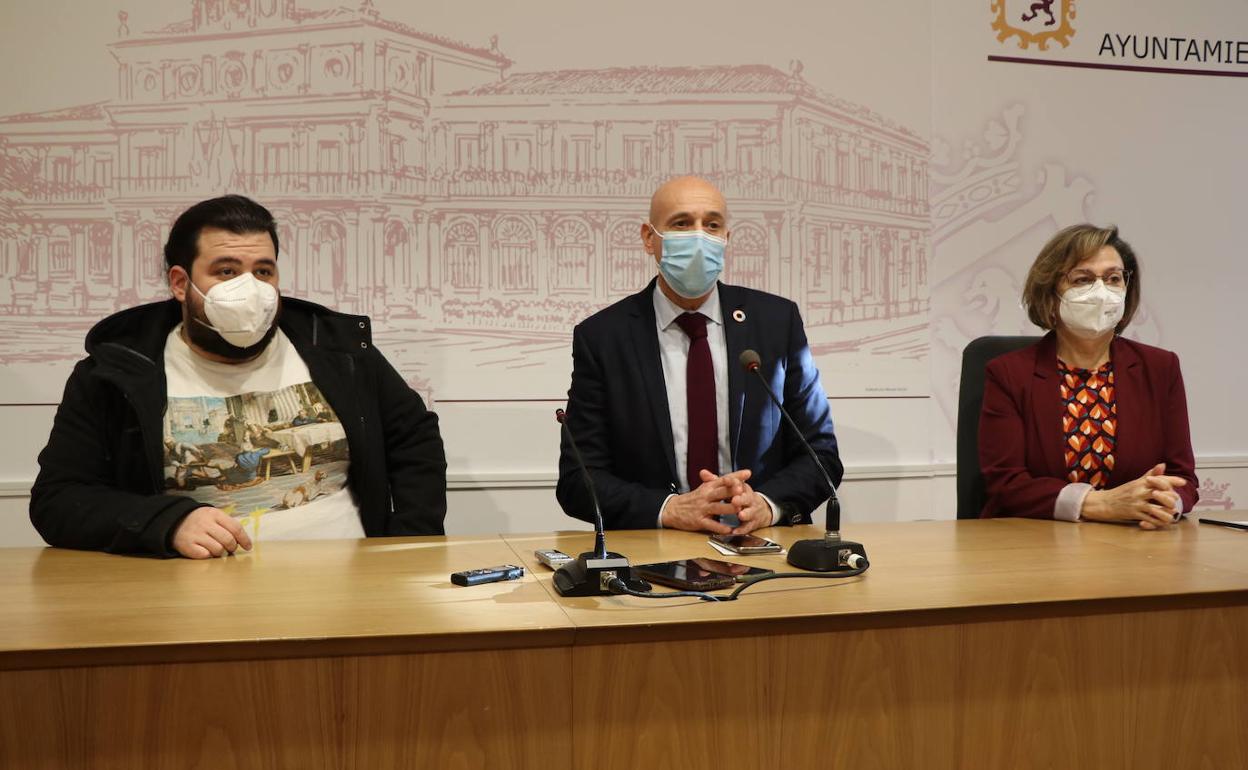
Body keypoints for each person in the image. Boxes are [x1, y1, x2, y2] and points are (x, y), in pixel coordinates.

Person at [30, 195, 447, 558]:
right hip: (196, 597)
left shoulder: (339, 352)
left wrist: (410, 544)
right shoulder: (114, 373)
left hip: (350, 589)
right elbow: (58, 499)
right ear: (181, 283)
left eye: (263, 271)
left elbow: (414, 437)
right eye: (226, 271)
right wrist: (166, 523)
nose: (250, 288)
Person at [556, 176, 842, 534]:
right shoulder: (603, 337)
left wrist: (766, 505)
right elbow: (578, 480)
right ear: (649, 238)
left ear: (726, 238)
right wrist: (669, 509)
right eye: (681, 223)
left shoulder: (776, 322)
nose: (699, 237)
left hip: (760, 542)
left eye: (712, 225)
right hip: (655, 549)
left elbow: (821, 456)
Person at [978, 223, 1198, 527]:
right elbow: (1006, 483)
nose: (1101, 292)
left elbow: (1182, 477)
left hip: (1135, 539)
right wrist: (1100, 504)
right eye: (1082, 279)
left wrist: (1164, 503)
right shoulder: (1009, 373)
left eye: (1113, 279)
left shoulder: (1160, 367)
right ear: (1050, 294)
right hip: (1035, 541)